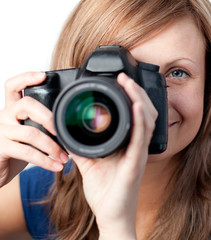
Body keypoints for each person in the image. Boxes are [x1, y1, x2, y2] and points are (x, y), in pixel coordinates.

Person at [0, 0, 210, 239]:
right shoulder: (44, 190)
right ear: (71, 91)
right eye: (122, 78)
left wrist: (116, 227)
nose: (148, 105)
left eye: (177, 73)